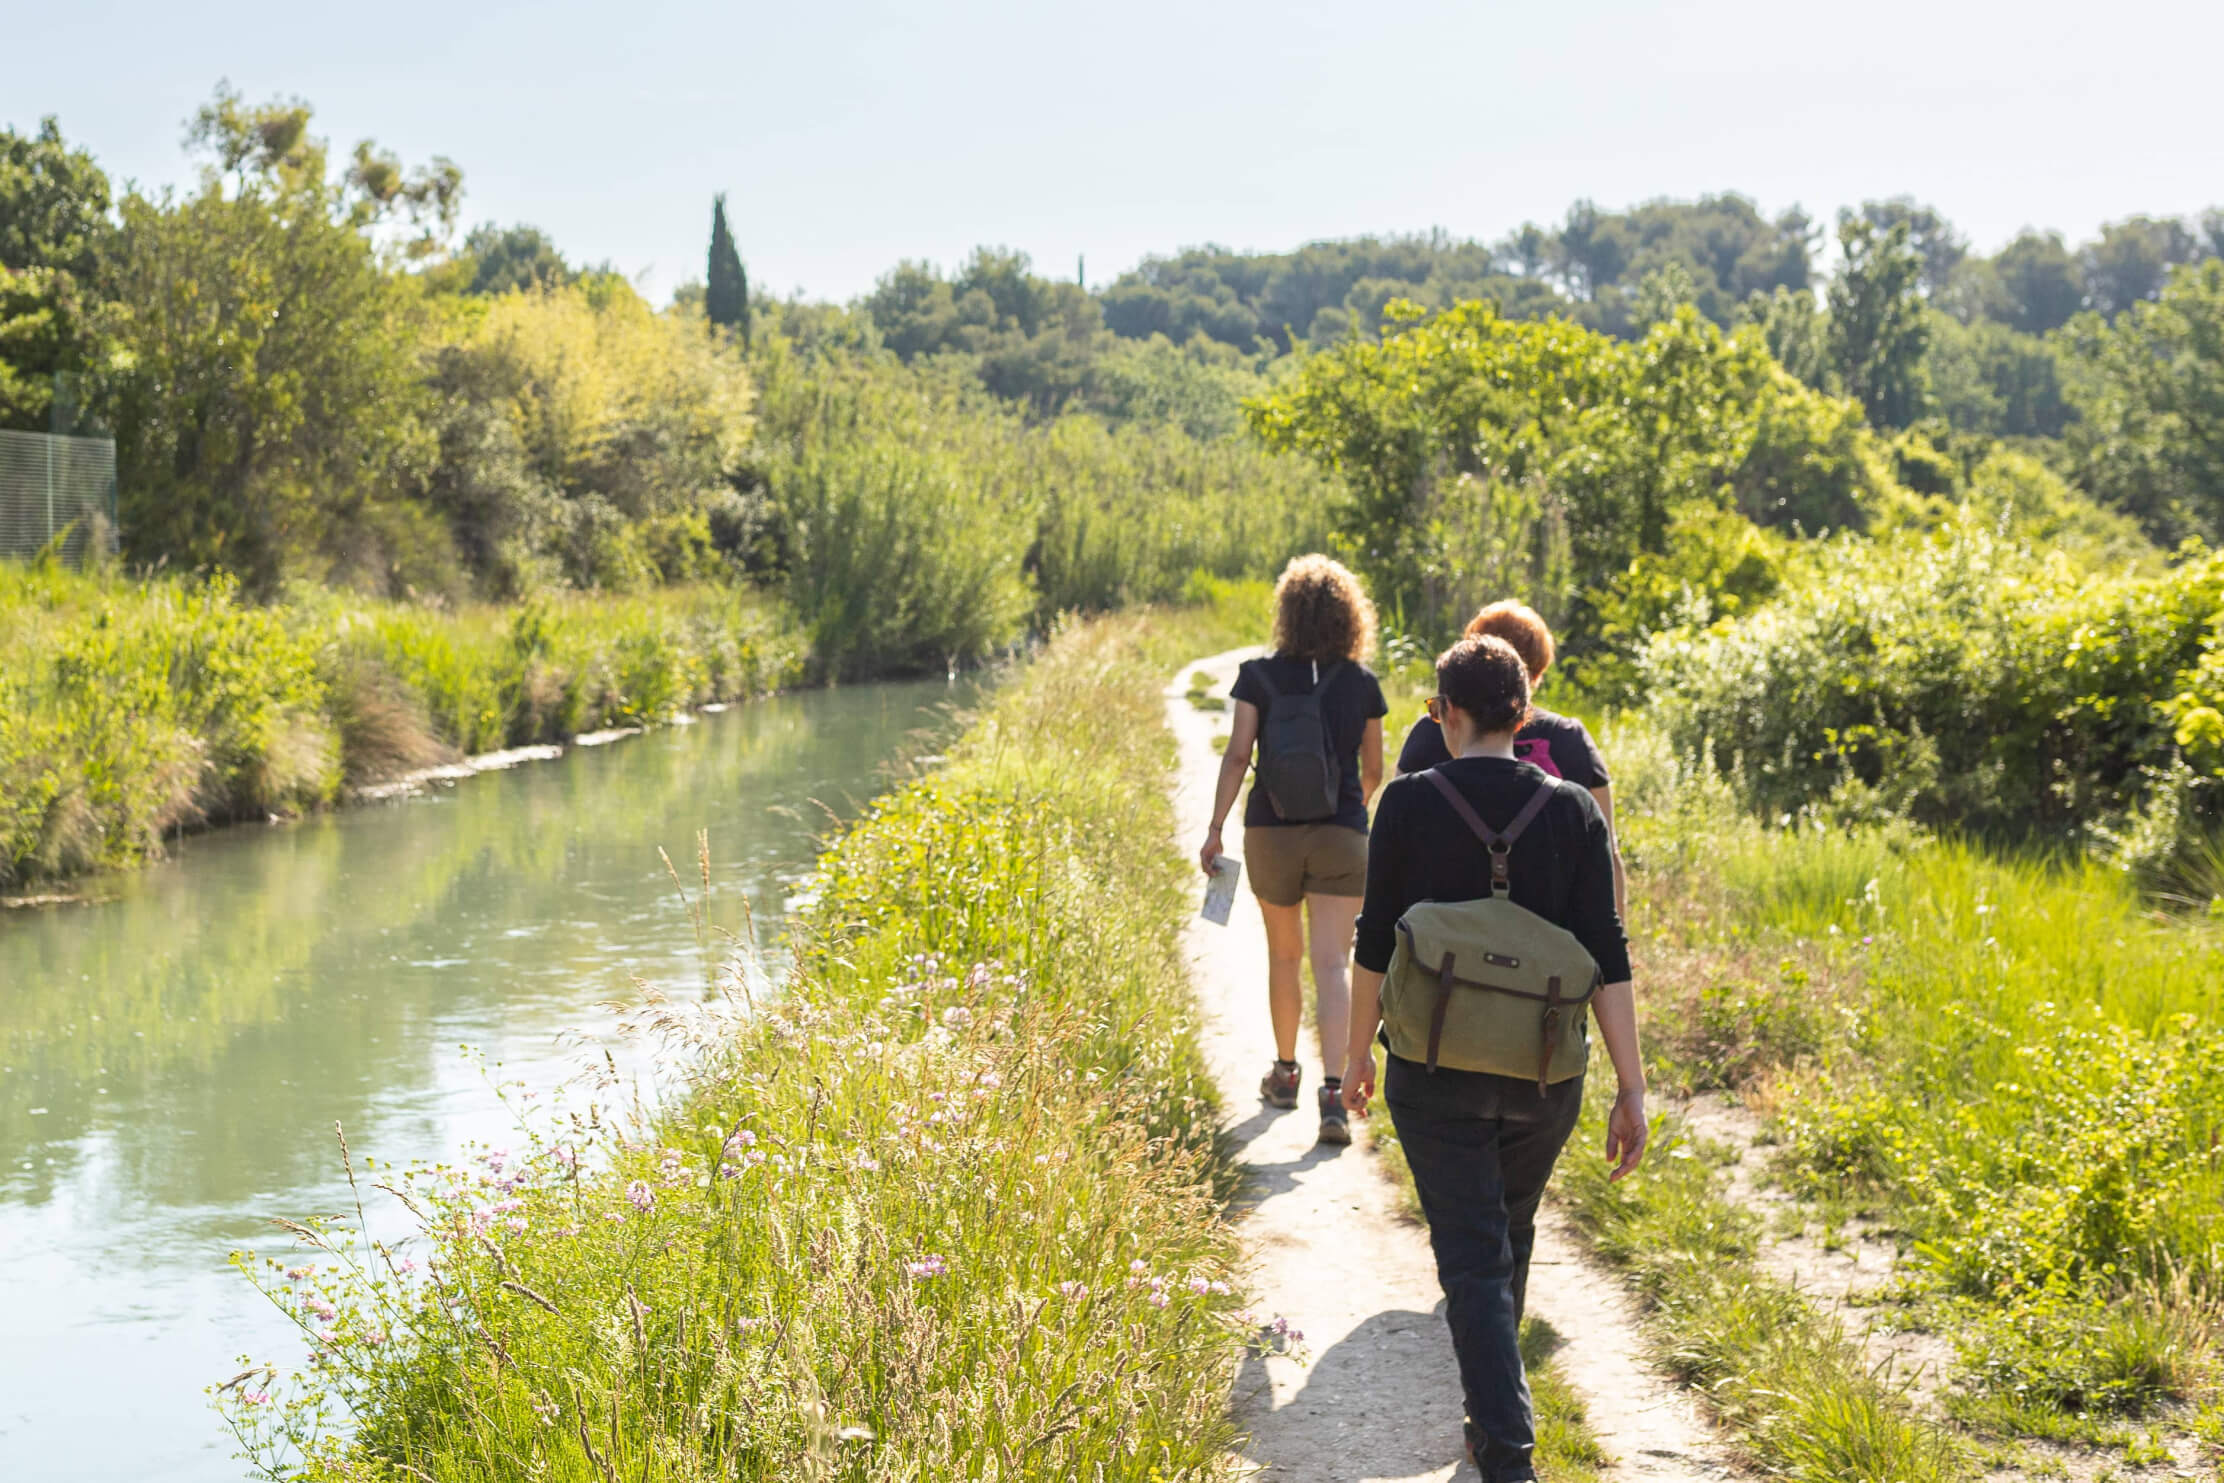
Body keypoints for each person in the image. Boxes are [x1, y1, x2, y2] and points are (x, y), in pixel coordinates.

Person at [1342, 634, 1648, 1481]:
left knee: (1474, 1254)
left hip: (1433, 1066)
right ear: (1523, 712)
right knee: (1507, 1231)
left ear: (1446, 713)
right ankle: (1490, 1418)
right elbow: (1608, 952)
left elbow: (1374, 939)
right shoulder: (1575, 811)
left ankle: (1507, 1446)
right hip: (1545, 1072)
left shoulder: (1407, 802)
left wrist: (1355, 1054)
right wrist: (1631, 1085)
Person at [1200, 554, 1387, 1146]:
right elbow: (1374, 769)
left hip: (1270, 832)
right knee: (1332, 964)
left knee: (1284, 956)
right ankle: (1333, 1095)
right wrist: (1348, 811)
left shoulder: (1257, 676)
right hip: (1342, 834)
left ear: (1286, 611)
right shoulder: (1361, 683)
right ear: (1350, 616)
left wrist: (1215, 827)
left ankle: (1284, 1075)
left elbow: (1238, 755)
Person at [1395, 601, 1625, 921]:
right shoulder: (1570, 739)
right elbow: (1607, 852)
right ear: (1536, 673)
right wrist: (1617, 937)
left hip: (1442, 929)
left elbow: (1395, 842)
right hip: (1552, 932)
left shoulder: (1435, 728)